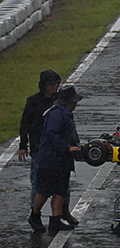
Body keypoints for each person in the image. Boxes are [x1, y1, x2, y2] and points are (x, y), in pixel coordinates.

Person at [19, 70, 77, 225]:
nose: (54, 87)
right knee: (39, 185)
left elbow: (69, 125)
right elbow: (25, 124)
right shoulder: (33, 101)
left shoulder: (60, 100)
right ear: (43, 85)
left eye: (56, 84)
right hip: (40, 147)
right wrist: (23, 145)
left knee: (62, 185)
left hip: (59, 150)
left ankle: (62, 213)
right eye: (50, 84)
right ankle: (35, 214)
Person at [29, 85, 83, 234]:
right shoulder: (56, 114)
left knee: (60, 191)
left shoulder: (65, 114)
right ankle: (34, 215)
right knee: (44, 191)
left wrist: (76, 145)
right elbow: (52, 135)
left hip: (62, 161)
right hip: (50, 160)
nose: (76, 104)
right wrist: (67, 147)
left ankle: (55, 220)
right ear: (69, 102)